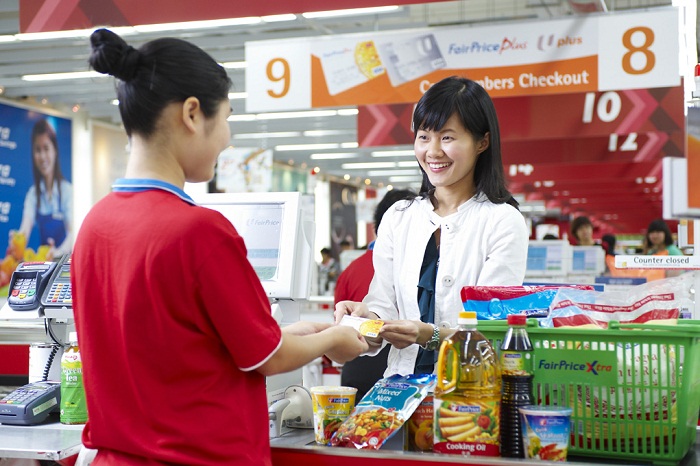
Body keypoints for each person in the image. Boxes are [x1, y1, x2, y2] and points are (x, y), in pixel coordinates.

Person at [72, 28, 368, 466]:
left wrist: (290, 333)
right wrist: (334, 337)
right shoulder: (200, 231)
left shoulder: (95, 225)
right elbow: (268, 359)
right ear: (192, 113)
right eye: (227, 117)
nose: (227, 138)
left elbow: (173, 348)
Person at [334, 76, 529, 376]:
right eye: (424, 137)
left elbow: (491, 334)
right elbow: (382, 310)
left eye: (447, 138)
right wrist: (362, 318)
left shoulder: (502, 221)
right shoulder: (399, 217)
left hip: (469, 391)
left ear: (482, 142)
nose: (433, 151)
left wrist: (431, 335)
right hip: (399, 391)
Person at [335, 188, 417, 401]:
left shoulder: (351, 269)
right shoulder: (414, 269)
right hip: (395, 366)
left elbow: (340, 321)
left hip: (359, 366)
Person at [8, 118, 73, 260]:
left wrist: (57, 252)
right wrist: (17, 240)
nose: (42, 156)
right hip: (44, 265)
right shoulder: (33, 195)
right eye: (38, 150)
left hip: (64, 264)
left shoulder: (67, 191)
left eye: (46, 148)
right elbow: (25, 229)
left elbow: (72, 233)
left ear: (55, 150)